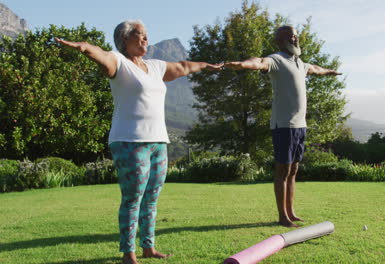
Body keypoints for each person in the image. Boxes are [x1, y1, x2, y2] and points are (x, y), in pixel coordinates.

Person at [56, 20, 222, 264]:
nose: (145, 39)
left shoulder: (155, 67)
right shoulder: (118, 62)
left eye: (146, 35)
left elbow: (184, 66)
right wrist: (82, 47)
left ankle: (148, 248)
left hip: (158, 142)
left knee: (152, 198)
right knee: (132, 199)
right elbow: (99, 54)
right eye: (139, 35)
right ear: (124, 39)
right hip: (129, 142)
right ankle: (128, 253)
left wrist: (205, 65)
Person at [224, 25, 341, 228]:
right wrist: (242, 65)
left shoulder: (300, 63)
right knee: (283, 171)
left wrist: (330, 71)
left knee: (294, 169)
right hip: (283, 126)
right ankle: (282, 216)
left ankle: (291, 212)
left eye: (295, 36)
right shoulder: (276, 60)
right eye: (290, 37)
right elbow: (259, 62)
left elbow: (316, 69)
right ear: (280, 41)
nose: (295, 40)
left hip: (300, 125)